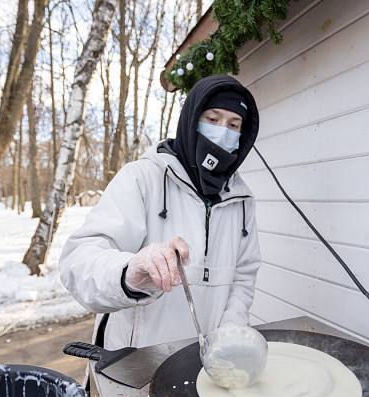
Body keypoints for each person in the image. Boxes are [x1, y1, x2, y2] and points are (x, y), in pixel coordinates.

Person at [59, 75, 261, 350]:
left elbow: (243, 274)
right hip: (137, 364)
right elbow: (79, 261)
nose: (222, 131)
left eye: (233, 125)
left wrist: (232, 327)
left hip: (206, 362)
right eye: (212, 120)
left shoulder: (242, 199)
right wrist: (129, 274)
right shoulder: (142, 178)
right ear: (191, 120)